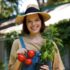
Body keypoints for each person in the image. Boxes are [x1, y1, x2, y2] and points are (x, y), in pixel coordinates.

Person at [8, 4, 64, 70]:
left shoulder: (50, 44)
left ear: (41, 21)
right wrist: (19, 59)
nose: (33, 24)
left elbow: (59, 68)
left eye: (36, 20)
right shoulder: (17, 43)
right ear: (25, 24)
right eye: (29, 21)